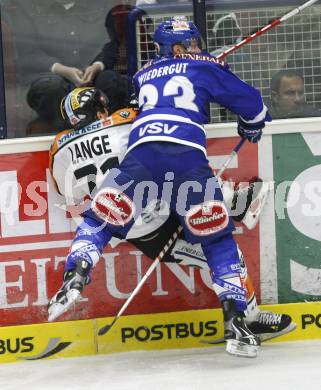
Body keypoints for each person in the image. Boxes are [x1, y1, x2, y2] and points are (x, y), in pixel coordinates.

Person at [47, 17, 279, 358]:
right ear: (183, 47)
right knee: (215, 238)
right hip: (185, 157)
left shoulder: (142, 76)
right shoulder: (204, 64)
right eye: (193, 45)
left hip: (141, 158)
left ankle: (76, 273)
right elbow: (252, 103)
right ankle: (237, 320)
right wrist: (252, 122)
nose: (198, 50)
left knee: (97, 221)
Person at [2, 0, 131, 135]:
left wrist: (97, 65)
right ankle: (65, 137)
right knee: (49, 87)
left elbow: (113, 43)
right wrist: (59, 69)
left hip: (93, 79)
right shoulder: (27, 8)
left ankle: (113, 133)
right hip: (54, 83)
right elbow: (28, 53)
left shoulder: (101, 4)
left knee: (110, 80)